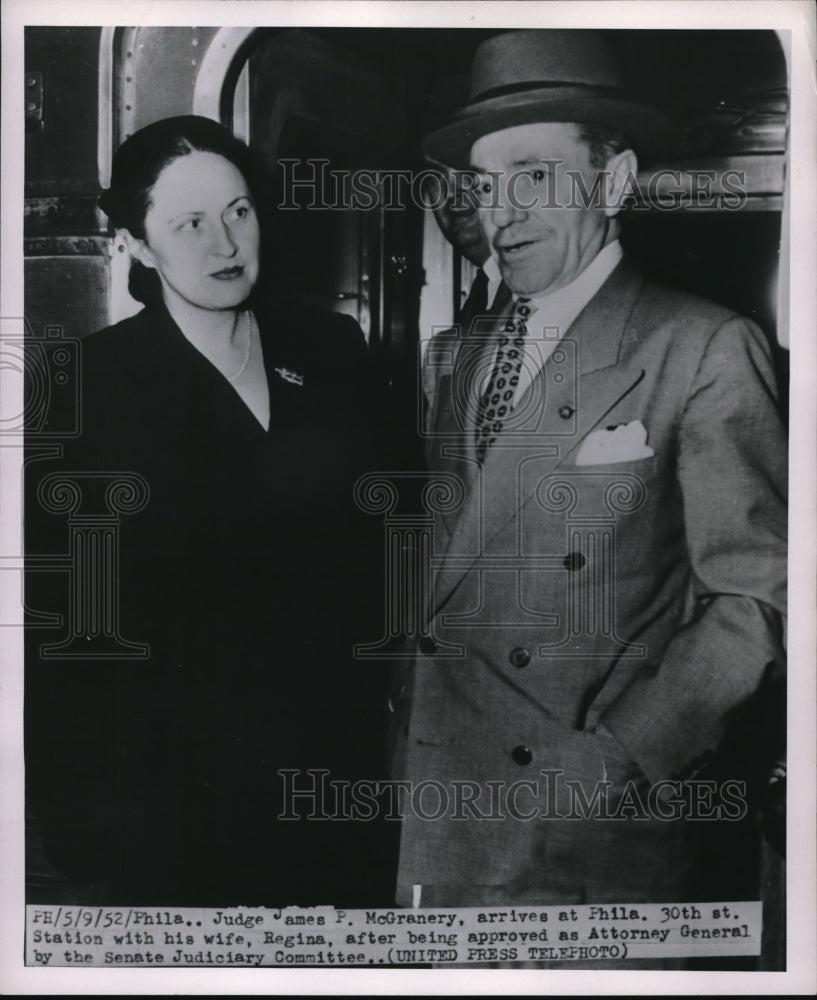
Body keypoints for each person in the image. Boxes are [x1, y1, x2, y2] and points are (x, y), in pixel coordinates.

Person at [389, 29, 787, 925]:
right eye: (484, 185)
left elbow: (759, 593)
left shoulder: (702, 347)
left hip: (588, 829)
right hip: (439, 803)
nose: (501, 213)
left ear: (612, 184)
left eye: (534, 176)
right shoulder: (455, 354)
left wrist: (626, 756)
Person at [25, 116, 392, 907]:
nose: (225, 244)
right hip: (170, 795)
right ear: (137, 244)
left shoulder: (330, 349)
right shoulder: (84, 385)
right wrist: (81, 816)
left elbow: (383, 556)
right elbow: (63, 621)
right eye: (190, 223)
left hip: (328, 775)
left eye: (238, 211)